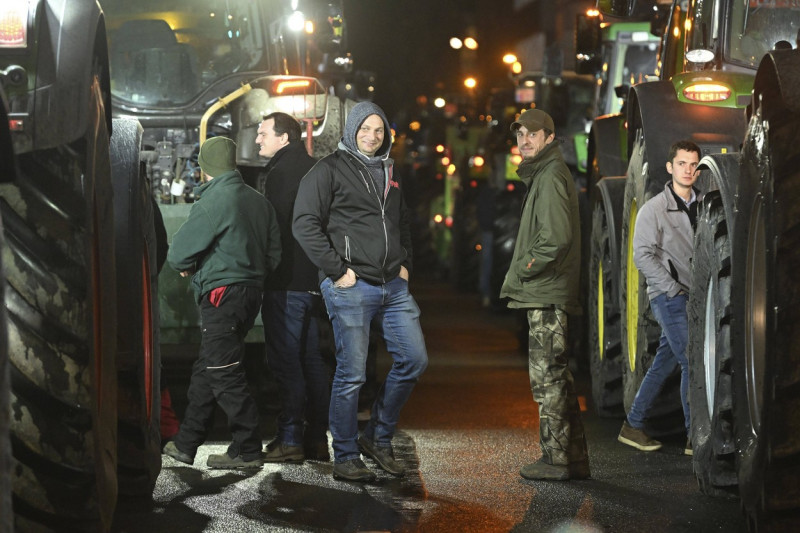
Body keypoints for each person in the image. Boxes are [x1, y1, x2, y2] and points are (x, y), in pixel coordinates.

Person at [293, 101, 428, 482]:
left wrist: (406, 265)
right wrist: (337, 271)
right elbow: (304, 224)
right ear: (352, 130)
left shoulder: (389, 171)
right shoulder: (329, 170)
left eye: (379, 131)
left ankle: (378, 436)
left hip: (392, 284)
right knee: (351, 374)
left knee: (413, 360)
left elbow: (401, 222)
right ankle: (346, 455)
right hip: (352, 285)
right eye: (365, 129)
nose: (372, 137)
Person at [162, 136, 281, 469]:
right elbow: (274, 254)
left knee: (222, 371)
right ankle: (186, 444)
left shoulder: (214, 201)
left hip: (221, 296)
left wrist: (195, 267)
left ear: (204, 167)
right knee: (208, 368)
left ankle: (248, 448)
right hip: (250, 296)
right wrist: (249, 274)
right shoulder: (259, 202)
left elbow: (179, 254)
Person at [500, 108, 589, 481]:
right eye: (520, 134)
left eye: (533, 134)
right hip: (548, 289)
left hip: (545, 290)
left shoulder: (550, 175)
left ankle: (556, 460)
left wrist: (525, 268)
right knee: (558, 376)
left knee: (547, 377)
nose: (525, 140)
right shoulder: (546, 173)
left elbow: (555, 238)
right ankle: (574, 458)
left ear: (550, 138)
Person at [255, 112, 332, 463]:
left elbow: (276, 231)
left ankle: (289, 440)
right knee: (311, 360)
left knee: (287, 363)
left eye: (263, 134)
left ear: (284, 138)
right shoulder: (317, 168)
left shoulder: (279, 174)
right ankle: (317, 439)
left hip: (286, 282)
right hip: (315, 281)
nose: (258, 140)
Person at [618, 140, 701, 456]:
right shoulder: (654, 209)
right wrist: (670, 287)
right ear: (670, 167)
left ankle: (633, 424)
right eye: (682, 163)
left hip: (692, 297)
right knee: (691, 360)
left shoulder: (703, 204)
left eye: (693, 164)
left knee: (666, 360)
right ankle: (696, 437)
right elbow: (642, 255)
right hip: (669, 297)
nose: (688, 170)